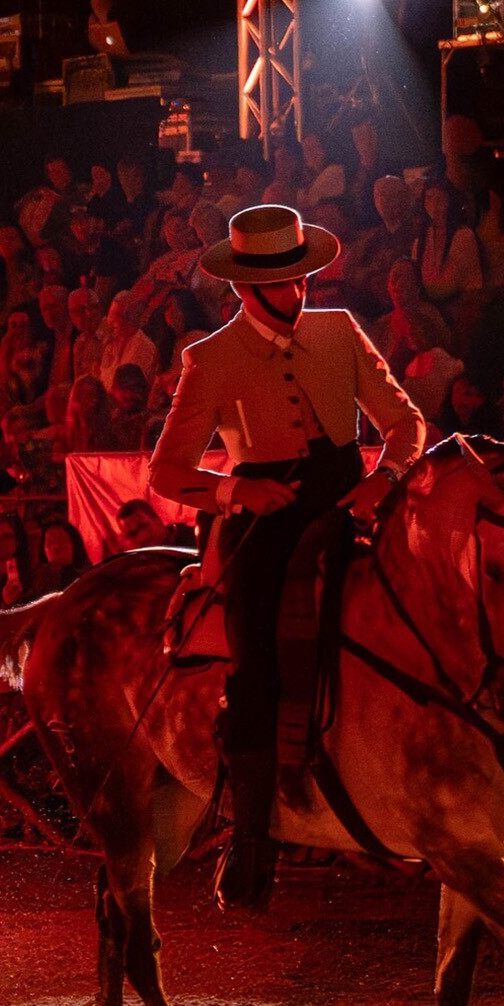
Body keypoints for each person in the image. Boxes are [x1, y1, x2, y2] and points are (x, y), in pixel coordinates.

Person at [149, 204, 425, 910]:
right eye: (282, 280)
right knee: (256, 662)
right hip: (264, 523)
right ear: (244, 288)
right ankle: (251, 838)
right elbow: (168, 474)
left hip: (351, 502)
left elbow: (406, 422)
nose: (297, 291)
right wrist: (237, 488)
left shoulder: (340, 330)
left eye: (302, 276)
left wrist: (382, 480)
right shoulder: (208, 358)